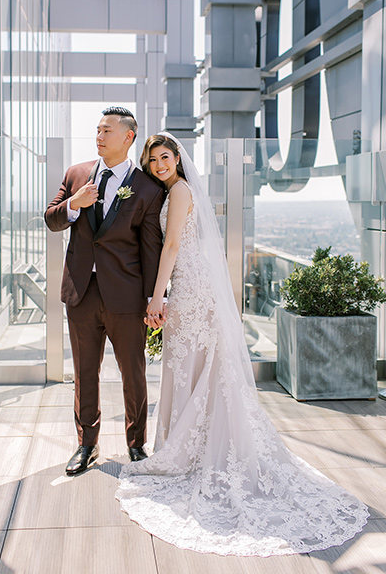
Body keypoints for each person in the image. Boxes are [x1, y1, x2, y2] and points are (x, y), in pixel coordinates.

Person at [116, 132, 368, 557]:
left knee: (193, 369)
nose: (159, 165)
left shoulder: (178, 192)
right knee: (203, 371)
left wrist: (157, 296)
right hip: (195, 287)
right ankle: (197, 448)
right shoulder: (181, 189)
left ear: (178, 157)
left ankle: (191, 453)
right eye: (152, 160)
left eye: (164, 157)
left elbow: (173, 244)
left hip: (190, 289)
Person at [44, 108, 163, 476]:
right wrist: (73, 205)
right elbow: (51, 218)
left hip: (126, 297)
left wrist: (151, 300)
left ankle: (136, 444)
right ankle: (86, 444)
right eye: (97, 129)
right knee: (84, 373)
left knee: (133, 372)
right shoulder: (76, 174)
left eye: (107, 130)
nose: (99, 135)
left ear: (128, 137)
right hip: (81, 292)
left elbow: (150, 250)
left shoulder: (147, 187)